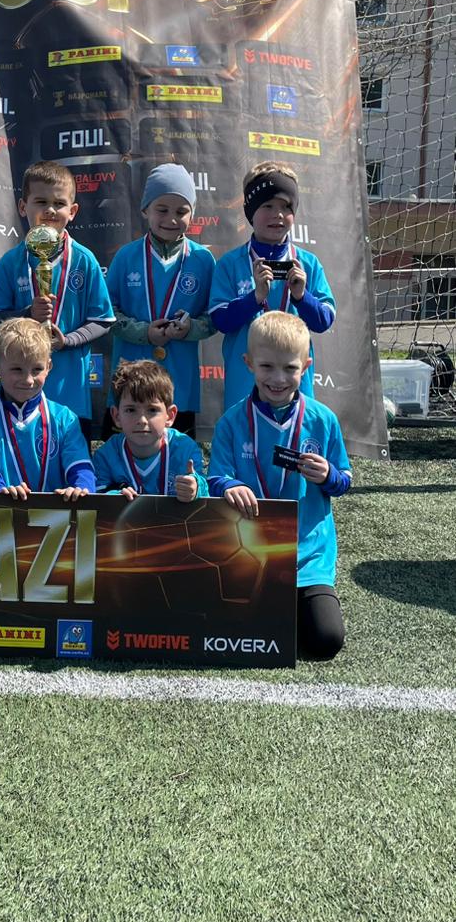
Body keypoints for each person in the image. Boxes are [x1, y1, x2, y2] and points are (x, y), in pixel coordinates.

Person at [208, 310, 350, 660]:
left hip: (307, 555)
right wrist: (229, 486)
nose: (278, 378)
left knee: (326, 640)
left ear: (306, 366)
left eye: (290, 368)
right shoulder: (231, 422)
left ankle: (297, 605)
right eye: (267, 367)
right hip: (247, 551)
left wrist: (328, 475)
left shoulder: (323, 420)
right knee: (226, 635)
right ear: (248, 363)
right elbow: (214, 478)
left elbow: (344, 481)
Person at [0, 160, 114, 440]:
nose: (50, 210)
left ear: (73, 211)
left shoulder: (85, 260)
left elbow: (102, 320)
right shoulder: (10, 263)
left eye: (59, 203)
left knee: (69, 458)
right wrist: (26, 314)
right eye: (41, 202)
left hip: (70, 392)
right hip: (19, 389)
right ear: (23, 207)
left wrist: (66, 340)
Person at [208, 160, 335, 409]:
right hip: (244, 387)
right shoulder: (230, 264)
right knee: (247, 432)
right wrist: (254, 298)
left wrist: (302, 297)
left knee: (295, 432)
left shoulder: (308, 264)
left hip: (295, 386)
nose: (277, 214)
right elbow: (220, 321)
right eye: (267, 205)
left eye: (286, 207)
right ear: (250, 212)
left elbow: (324, 320)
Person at [105, 163, 215, 438]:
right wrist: (144, 333)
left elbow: (215, 317)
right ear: (146, 210)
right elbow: (106, 313)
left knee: (177, 458)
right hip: (130, 382)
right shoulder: (126, 257)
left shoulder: (202, 260)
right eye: (162, 210)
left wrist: (190, 329)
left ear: (192, 213)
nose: (171, 219)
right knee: (121, 458)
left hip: (179, 385)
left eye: (181, 211)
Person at [0, 317, 96, 500]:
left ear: (48, 367)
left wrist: (81, 489)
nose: (28, 380)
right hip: (1, 511)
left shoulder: (66, 418)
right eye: (17, 369)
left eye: (36, 369)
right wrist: (0, 493)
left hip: (56, 516)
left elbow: (80, 466)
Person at [94, 358, 208, 501]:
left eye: (152, 410)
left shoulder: (185, 449)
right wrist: (114, 498)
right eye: (131, 410)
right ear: (116, 416)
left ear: (170, 416)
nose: (142, 420)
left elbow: (205, 492)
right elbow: (97, 495)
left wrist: (195, 489)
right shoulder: (106, 455)